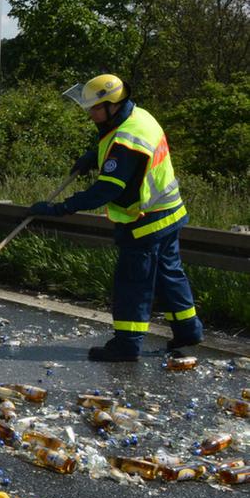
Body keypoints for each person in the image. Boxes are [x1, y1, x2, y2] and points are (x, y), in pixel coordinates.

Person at [28, 74, 201, 361]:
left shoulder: (125, 139)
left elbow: (106, 190)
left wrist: (59, 209)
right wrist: (93, 155)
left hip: (144, 221)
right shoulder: (138, 116)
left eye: (94, 109)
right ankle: (189, 330)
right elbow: (117, 146)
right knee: (169, 275)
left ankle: (127, 344)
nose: (89, 114)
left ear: (111, 105)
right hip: (169, 213)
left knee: (133, 283)